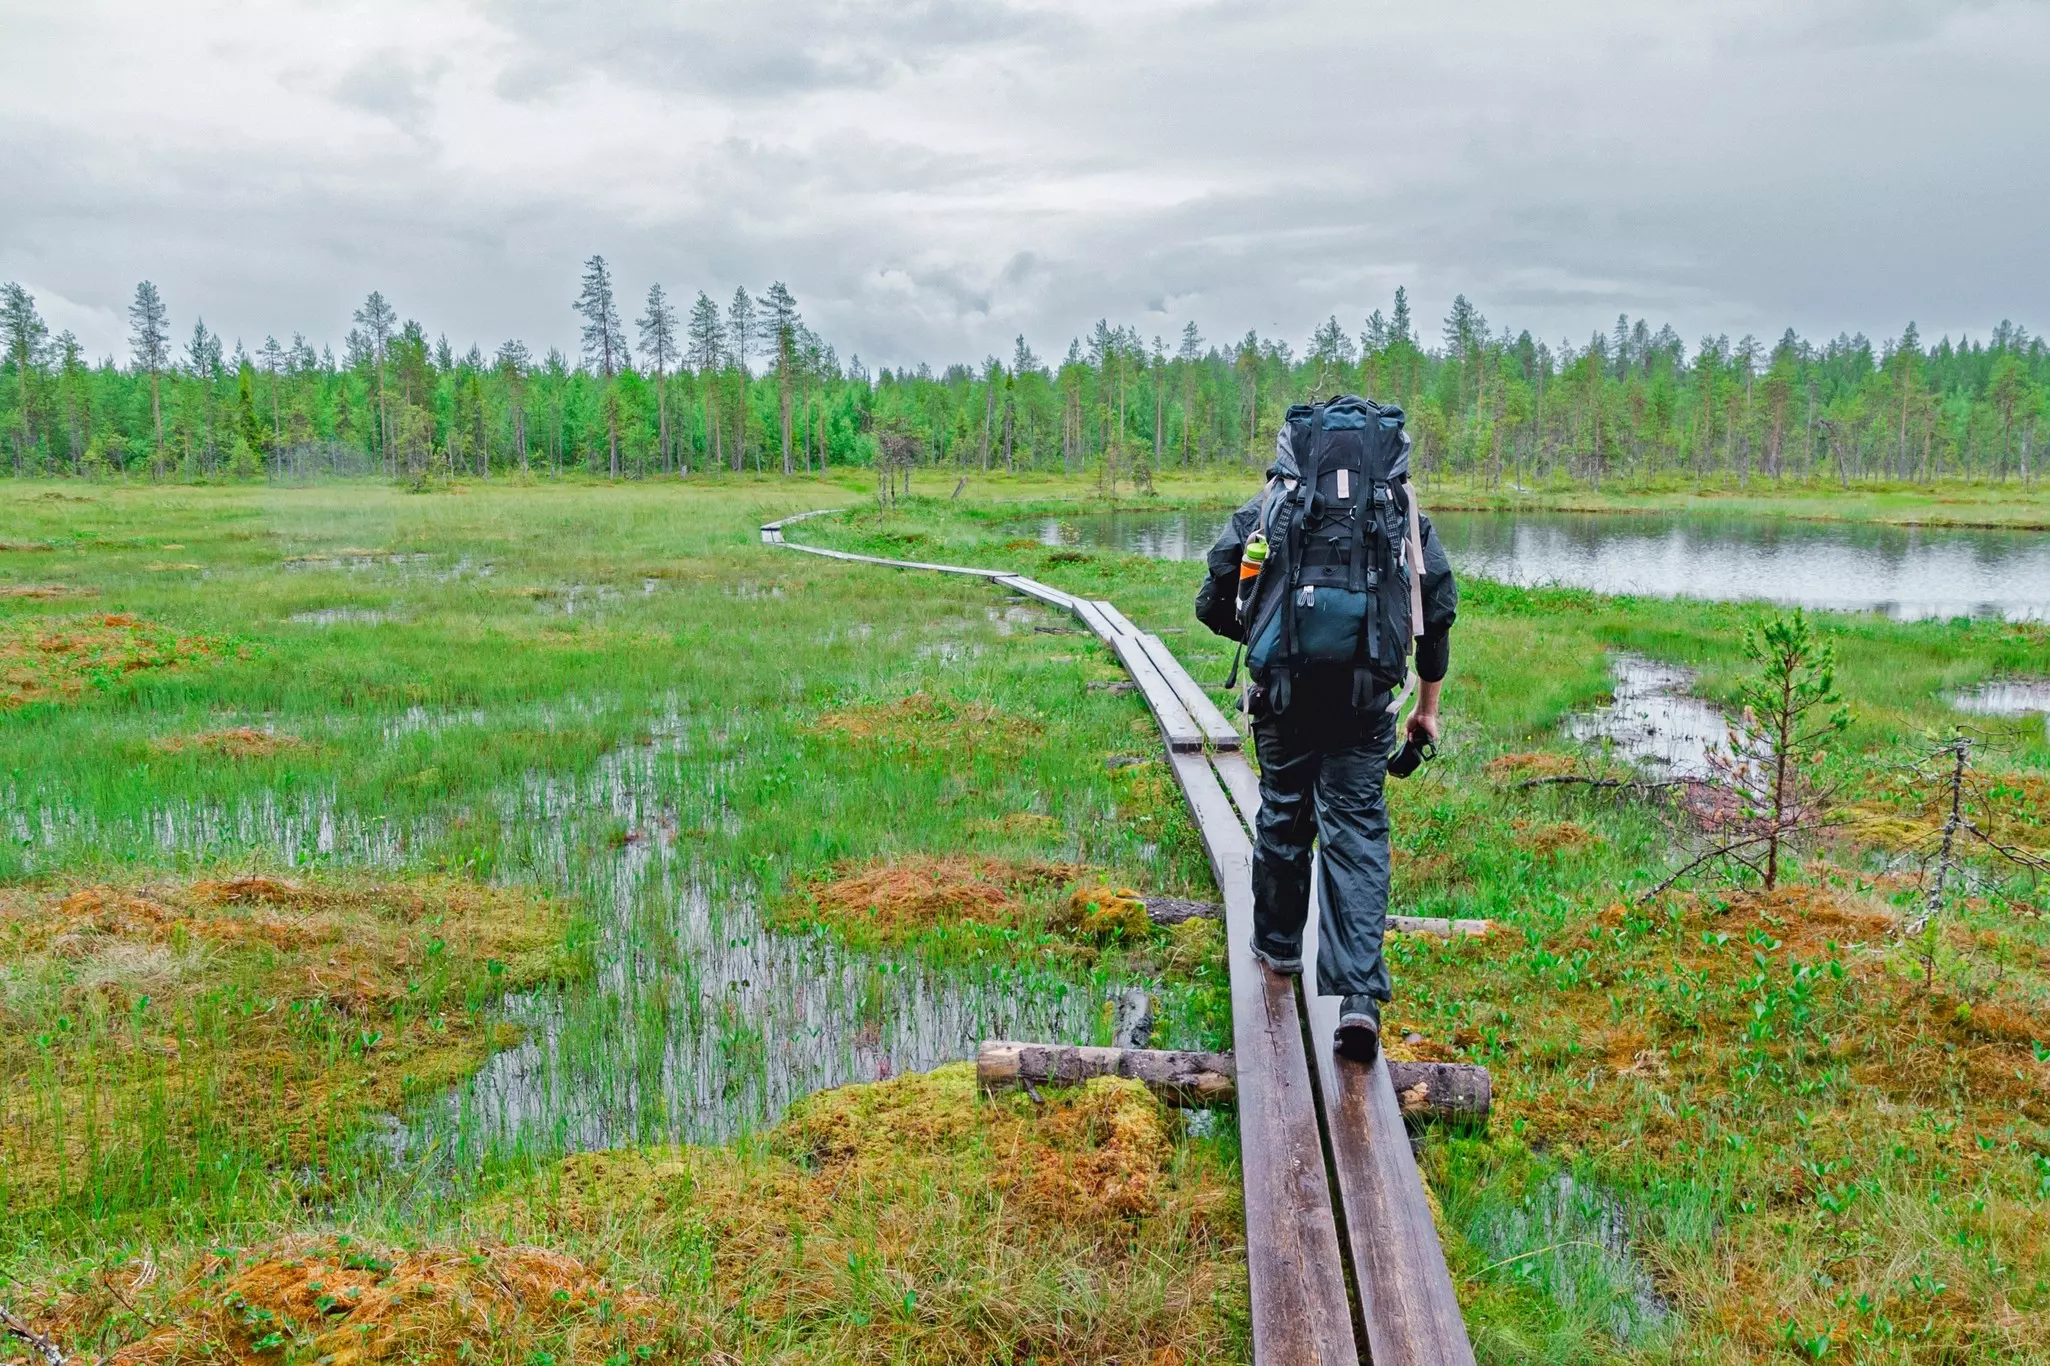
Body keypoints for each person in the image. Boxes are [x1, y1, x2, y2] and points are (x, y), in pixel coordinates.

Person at [1195, 397, 1457, 1063]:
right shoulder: (1399, 515)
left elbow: (1211, 597)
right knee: (1357, 830)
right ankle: (1359, 999)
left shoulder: (1271, 507)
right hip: (1367, 700)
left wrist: (1260, 635)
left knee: (1283, 813)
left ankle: (1279, 950)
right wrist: (1425, 708)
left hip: (1282, 694)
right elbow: (1437, 616)